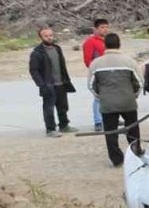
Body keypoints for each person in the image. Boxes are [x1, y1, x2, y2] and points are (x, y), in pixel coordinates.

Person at [88, 33, 142, 167]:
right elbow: (139, 82)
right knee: (133, 129)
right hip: (128, 101)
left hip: (107, 104)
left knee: (110, 132)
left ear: (104, 45)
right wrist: (134, 95)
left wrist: (100, 97)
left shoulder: (96, 63)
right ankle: (135, 153)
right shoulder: (129, 61)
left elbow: (91, 85)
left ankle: (116, 159)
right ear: (119, 44)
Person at [28, 27, 77, 137]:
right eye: (46, 36)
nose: (49, 38)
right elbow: (34, 70)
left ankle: (64, 125)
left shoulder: (57, 48)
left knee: (63, 106)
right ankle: (50, 129)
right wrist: (41, 84)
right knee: (49, 108)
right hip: (48, 85)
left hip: (61, 83)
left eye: (51, 35)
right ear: (41, 37)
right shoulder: (37, 53)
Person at [82, 18, 109, 131]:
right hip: (98, 73)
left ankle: (110, 118)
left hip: (110, 72)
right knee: (98, 97)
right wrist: (96, 70)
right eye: (102, 27)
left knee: (110, 96)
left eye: (106, 27)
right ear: (95, 29)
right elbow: (88, 60)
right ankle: (98, 121)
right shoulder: (90, 42)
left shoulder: (108, 40)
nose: (105, 29)